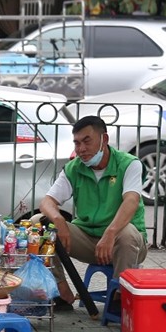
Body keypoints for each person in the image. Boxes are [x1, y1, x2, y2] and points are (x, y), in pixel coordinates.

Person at [34, 115, 147, 312]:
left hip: (124, 243)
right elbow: (47, 202)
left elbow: (131, 201)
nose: (81, 149)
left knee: (127, 232)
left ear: (104, 139)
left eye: (87, 141)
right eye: (77, 143)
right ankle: (61, 291)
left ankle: (119, 297)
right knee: (39, 223)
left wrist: (110, 233)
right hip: (89, 240)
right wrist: (59, 219)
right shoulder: (74, 168)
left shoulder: (129, 164)